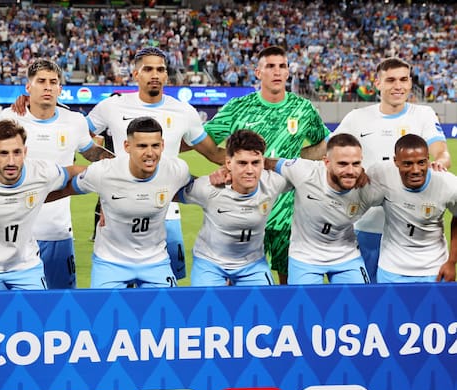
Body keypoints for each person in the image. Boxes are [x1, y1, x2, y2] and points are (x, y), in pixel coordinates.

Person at [85, 47, 225, 281]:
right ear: (135, 74)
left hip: (167, 212)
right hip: (120, 212)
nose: (155, 75)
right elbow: (78, 136)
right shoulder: (112, 106)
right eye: (148, 69)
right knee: (116, 295)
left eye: (160, 69)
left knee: (169, 292)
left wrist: (252, 157)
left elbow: (213, 154)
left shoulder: (183, 111)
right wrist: (108, 163)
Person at [204, 45, 330, 284]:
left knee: (292, 283)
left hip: (290, 213)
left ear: (288, 72)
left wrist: (296, 161)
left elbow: (326, 143)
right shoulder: (237, 107)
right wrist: (234, 163)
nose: (277, 71)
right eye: (270, 66)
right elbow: (206, 142)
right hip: (246, 211)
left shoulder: (303, 109)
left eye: (282, 66)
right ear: (258, 72)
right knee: (238, 280)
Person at [0, 59, 114, 289]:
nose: (48, 87)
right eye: (41, 81)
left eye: (54, 82)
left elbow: (93, 153)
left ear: (60, 88)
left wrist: (122, 170)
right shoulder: (9, 118)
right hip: (12, 233)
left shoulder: (74, 121)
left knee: (61, 304)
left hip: (57, 231)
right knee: (11, 309)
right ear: (28, 87)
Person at [333, 57, 451, 282]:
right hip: (367, 226)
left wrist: (441, 162)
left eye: (404, 80)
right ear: (378, 84)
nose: (398, 86)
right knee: (367, 301)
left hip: (410, 231)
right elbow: (328, 154)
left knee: (414, 303)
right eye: (391, 80)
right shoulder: (357, 118)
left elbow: (441, 151)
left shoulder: (423, 114)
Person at [51, 117, 192, 288]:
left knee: (167, 313)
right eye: (142, 146)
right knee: (105, 314)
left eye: (155, 145)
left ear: (162, 145)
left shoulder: (176, 170)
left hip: (156, 261)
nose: (149, 153)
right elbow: (66, 189)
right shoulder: (104, 172)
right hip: (110, 263)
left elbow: (201, 189)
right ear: (127, 146)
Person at [0, 120, 84, 291]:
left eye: (17, 152)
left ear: (25, 152)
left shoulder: (42, 172)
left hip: (25, 266)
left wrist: (109, 183)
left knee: (38, 316)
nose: (11, 161)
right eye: (3, 153)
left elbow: (75, 172)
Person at [178, 129, 290, 286]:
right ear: (228, 163)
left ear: (263, 163)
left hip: (252, 264)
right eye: (242, 163)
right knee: (204, 308)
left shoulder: (273, 183)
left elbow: (307, 178)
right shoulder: (208, 188)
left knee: (266, 307)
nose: (250, 170)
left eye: (255, 162)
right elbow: (172, 193)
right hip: (210, 263)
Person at [270, 133, 383, 284]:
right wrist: (229, 169)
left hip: (346, 256)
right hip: (305, 256)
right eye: (342, 164)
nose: (350, 171)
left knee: (361, 303)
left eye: (356, 164)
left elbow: (400, 191)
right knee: (305, 306)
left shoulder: (368, 189)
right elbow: (267, 163)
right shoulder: (304, 171)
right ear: (327, 162)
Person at [371, 134, 457, 283]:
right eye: (408, 164)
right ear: (395, 162)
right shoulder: (381, 176)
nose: (416, 170)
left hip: (435, 269)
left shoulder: (448, 183)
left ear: (428, 159)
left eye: (422, 162)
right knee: (390, 307)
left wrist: (452, 262)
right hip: (391, 270)